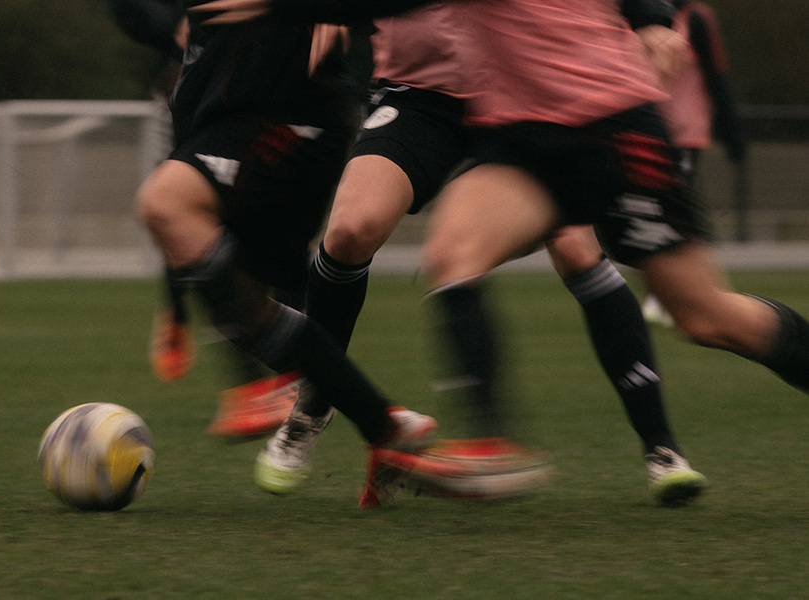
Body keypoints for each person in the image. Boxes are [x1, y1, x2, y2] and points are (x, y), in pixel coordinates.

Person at [198, 0, 809, 504]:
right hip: (526, 135)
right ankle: (492, 444)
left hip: (609, 125)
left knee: (706, 317)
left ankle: (657, 443)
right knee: (454, 251)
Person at [135, 9, 439, 501]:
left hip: (284, 120)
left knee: (163, 203)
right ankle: (385, 425)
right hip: (228, 125)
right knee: (250, 311)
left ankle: (263, 393)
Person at [107, 0, 303, 439]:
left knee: (280, 235)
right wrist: (171, 23)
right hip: (200, 90)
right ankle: (248, 378)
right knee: (181, 216)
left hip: (278, 91)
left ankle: (301, 378)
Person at [641, 0, 746, 327]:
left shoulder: (697, 19)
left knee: (673, 208)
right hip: (649, 129)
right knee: (659, 209)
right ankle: (674, 293)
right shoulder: (642, 12)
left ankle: (673, 296)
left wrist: (731, 132)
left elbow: (717, 75)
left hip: (684, 132)